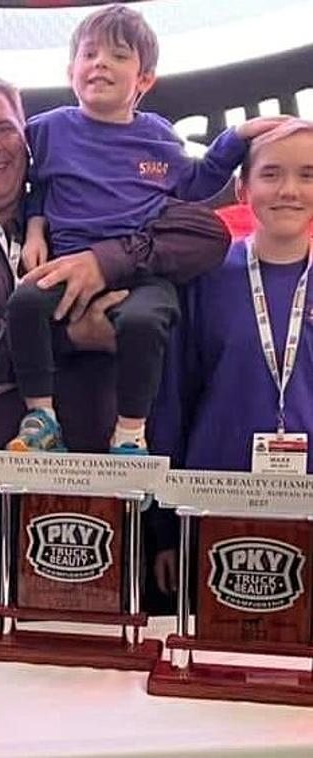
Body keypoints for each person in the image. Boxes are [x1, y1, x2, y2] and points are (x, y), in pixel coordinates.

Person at [0, 72, 231, 621]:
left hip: (108, 499)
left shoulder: (91, 210)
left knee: (104, 687)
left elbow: (206, 235)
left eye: (3, 129)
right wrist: (74, 337)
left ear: (29, 143)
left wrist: (108, 260)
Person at [6, 3, 284, 455]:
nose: (100, 63)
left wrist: (238, 136)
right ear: (70, 69)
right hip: (66, 264)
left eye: (118, 56)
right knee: (22, 303)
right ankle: (42, 417)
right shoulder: (48, 129)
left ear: (144, 79)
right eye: (90, 54)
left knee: (144, 322)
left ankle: (131, 434)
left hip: (141, 272)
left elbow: (196, 182)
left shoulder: (157, 136)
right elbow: (36, 184)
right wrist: (35, 230)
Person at [149, 118, 313, 594]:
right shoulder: (205, 276)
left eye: (307, 174)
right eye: (271, 173)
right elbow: (172, 400)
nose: (289, 190)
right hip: (212, 505)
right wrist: (166, 527)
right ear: (242, 188)